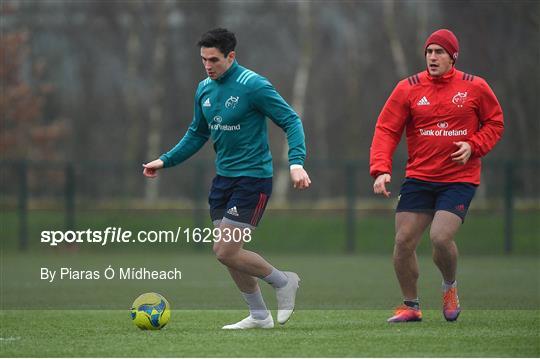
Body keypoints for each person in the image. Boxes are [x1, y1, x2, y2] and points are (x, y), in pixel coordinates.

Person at [143, 28, 311, 329]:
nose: (208, 66)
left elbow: (291, 120)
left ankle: (284, 281)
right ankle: (259, 316)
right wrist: (165, 160)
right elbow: (197, 133)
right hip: (223, 180)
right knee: (229, 255)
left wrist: (296, 162)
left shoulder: (254, 85)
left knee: (225, 250)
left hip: (253, 179)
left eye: (214, 60)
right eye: (203, 59)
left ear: (231, 57)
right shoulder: (204, 89)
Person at [369, 29, 503, 322]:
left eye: (439, 52)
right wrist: (380, 169)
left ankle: (449, 288)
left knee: (440, 237)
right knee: (403, 241)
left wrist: (474, 145)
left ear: (453, 56)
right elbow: (387, 129)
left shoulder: (475, 87)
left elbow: (495, 122)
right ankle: (411, 306)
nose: (432, 57)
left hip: (459, 178)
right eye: (429, 52)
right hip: (419, 178)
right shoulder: (408, 88)